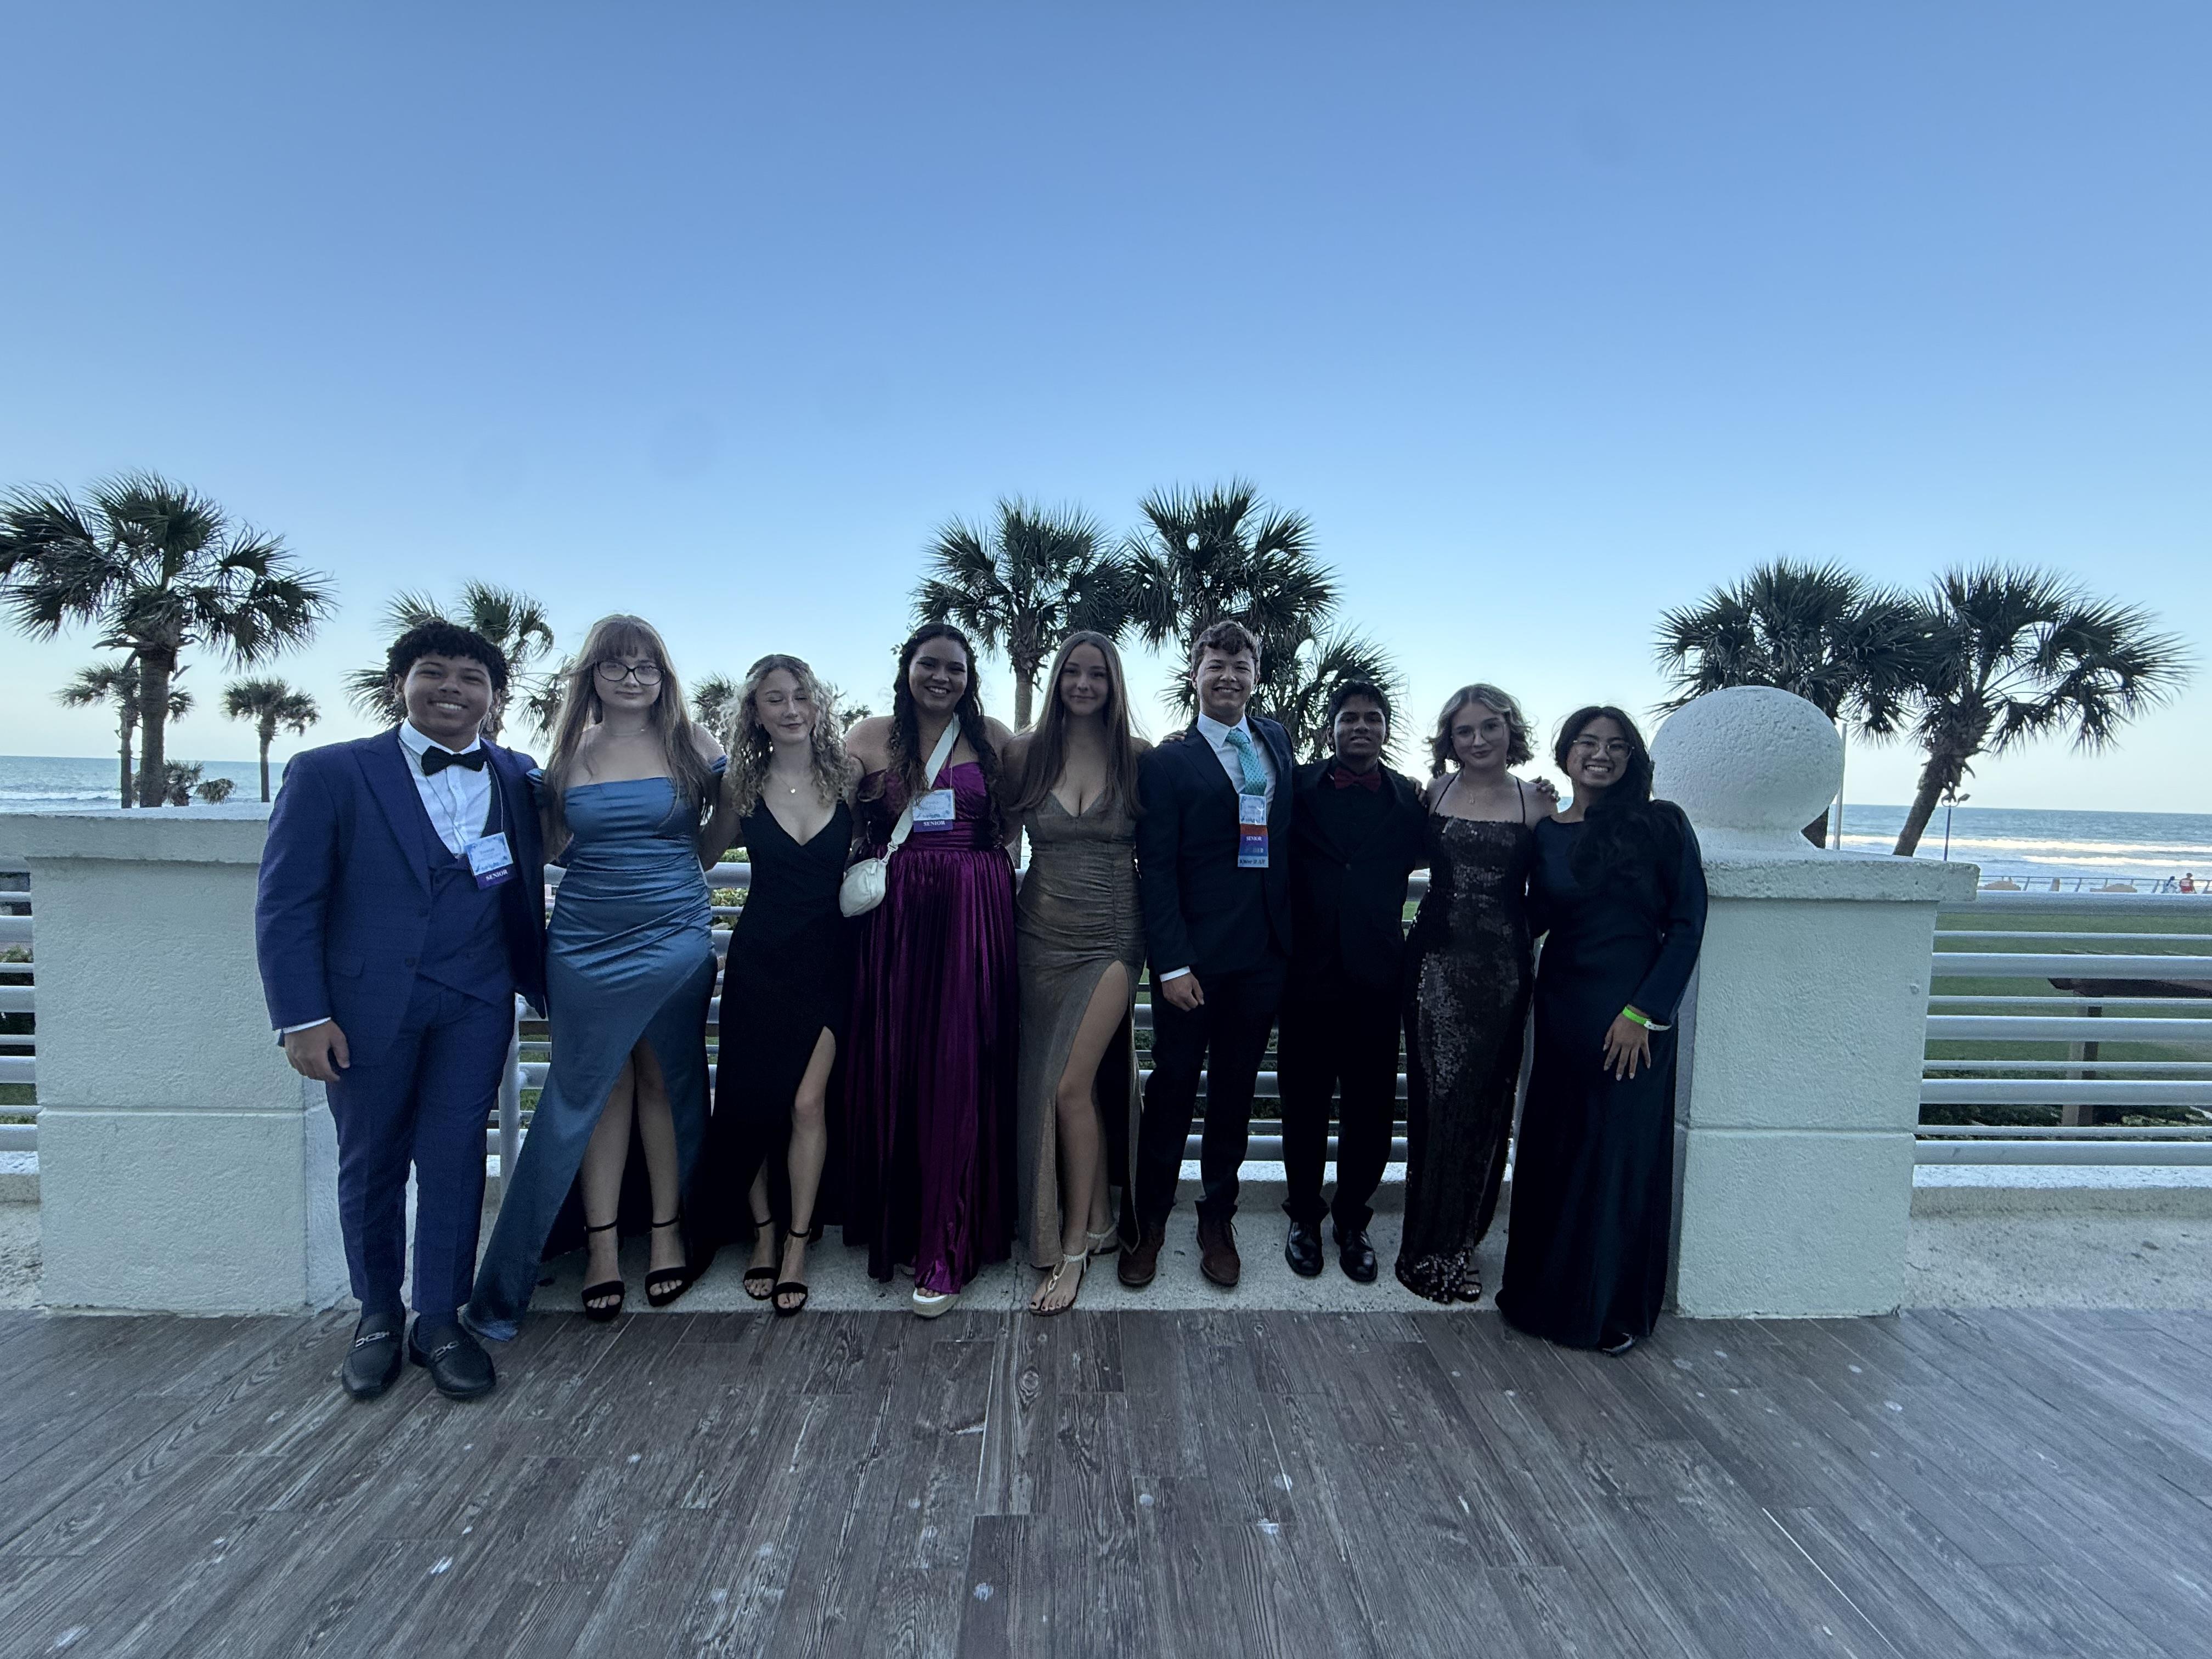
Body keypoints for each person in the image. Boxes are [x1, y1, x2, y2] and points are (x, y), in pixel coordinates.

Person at [255, 622, 547, 1402]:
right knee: (371, 1161)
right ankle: (378, 1314)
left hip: (477, 1003)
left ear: (494, 697)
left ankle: (439, 1319)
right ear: (401, 685)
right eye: (434, 673)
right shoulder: (330, 773)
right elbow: (287, 905)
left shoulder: (519, 776)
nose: (452, 688)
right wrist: (302, 1015)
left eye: (470, 679)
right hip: (363, 1007)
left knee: (454, 1159)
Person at [465, 616, 732, 1339]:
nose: (632, 677)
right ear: (593, 676)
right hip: (583, 939)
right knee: (590, 1089)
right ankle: (603, 1247)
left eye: (646, 665)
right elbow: (544, 847)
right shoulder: (567, 751)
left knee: (668, 1080)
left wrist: (687, 864)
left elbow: (730, 818)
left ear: (663, 676)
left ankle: (672, 1233)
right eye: (616, 665)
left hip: (675, 933)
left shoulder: (691, 741)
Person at [1497, 706, 1706, 1355]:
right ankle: (1539, 1299)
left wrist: (1645, 1011)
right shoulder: (1548, 834)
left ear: (1631, 759)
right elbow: (1526, 920)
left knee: (1617, 1156)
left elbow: (1689, 923)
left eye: (1616, 746)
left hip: (1632, 1016)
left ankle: (1608, 1312)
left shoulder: (1662, 823)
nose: (1601, 754)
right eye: (1587, 742)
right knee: (1556, 1151)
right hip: (1561, 1008)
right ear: (1565, 754)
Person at [842, 623, 1019, 1316]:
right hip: (899, 918)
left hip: (975, 912)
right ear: (907, 667)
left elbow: (1013, 822)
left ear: (970, 677)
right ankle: (905, 1225)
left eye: (955, 668)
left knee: (960, 1064)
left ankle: (952, 1243)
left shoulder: (996, 737)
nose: (942, 678)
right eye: (929, 665)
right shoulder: (867, 736)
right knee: (901, 1063)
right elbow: (827, 802)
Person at [1124, 618, 1295, 1292]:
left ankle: (1215, 1217)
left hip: (1262, 958)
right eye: (1215, 665)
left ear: (1256, 674)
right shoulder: (1167, 763)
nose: (1229, 675)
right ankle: (1150, 1222)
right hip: (1191, 965)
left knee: (1234, 1092)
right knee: (1170, 1093)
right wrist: (1170, 964)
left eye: (1241, 665)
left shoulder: (1276, 740)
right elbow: (1155, 868)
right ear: (1194, 675)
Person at [691, 653, 856, 1317]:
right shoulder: (740, 789)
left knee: (809, 1103)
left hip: (830, 959)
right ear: (754, 713)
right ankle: (761, 1234)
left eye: (800, 698)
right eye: (774, 700)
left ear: (818, 706)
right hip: (758, 960)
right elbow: (694, 857)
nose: (790, 710)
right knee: (749, 1102)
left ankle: (797, 1242)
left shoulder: (850, 777)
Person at [1002, 631, 1148, 1314]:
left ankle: (1071, 1254)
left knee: (1069, 1085)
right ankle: (1099, 1221)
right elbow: (995, 841)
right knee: (1057, 1085)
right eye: (1073, 673)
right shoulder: (1024, 755)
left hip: (1114, 935)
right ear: (1058, 679)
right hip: (1037, 934)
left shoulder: (1139, 759)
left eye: (1098, 675)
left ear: (1114, 685)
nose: (1084, 684)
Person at [1397, 685, 1554, 1304]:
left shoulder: (1537, 803)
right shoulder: (1431, 794)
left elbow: (1550, 894)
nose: (1479, 740)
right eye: (1466, 731)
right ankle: (1424, 1246)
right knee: (1436, 1103)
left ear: (1511, 731)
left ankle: (1461, 1241)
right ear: (1450, 740)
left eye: (1490, 728)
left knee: (1486, 1106)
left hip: (1502, 973)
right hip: (1432, 965)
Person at [1277, 680, 1425, 1285]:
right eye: (1349, 719)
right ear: (1330, 728)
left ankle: (1352, 1221)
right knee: (1303, 1105)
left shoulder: (1413, 803)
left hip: (1377, 979)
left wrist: (1536, 793)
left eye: (1372, 719)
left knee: (1370, 1109)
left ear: (1387, 730)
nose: (1360, 727)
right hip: (1304, 977)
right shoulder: (1297, 788)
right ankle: (1304, 1219)